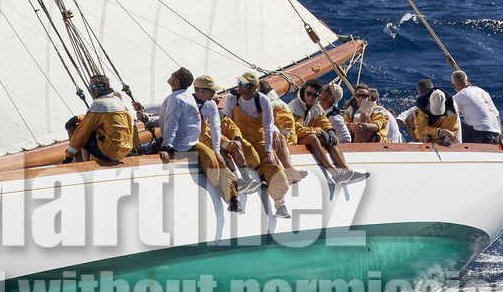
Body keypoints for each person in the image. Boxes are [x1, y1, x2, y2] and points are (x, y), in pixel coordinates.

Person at [146, 69, 235, 196]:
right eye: (212, 91)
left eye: (173, 74)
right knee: (211, 157)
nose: (214, 94)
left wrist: (165, 147)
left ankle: (228, 189)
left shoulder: (185, 99)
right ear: (202, 91)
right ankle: (227, 190)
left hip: (188, 143)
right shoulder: (183, 98)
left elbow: (172, 122)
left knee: (215, 156)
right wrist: (145, 111)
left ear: (176, 82)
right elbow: (165, 113)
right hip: (189, 143)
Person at [222, 71, 290, 213]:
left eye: (243, 84)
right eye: (239, 82)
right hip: (241, 139)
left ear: (253, 88)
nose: (239, 85)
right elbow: (226, 123)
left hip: (260, 139)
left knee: (273, 165)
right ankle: (261, 176)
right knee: (250, 154)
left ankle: (279, 202)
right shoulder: (231, 99)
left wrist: (268, 152)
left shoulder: (263, 100)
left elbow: (268, 127)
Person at [294, 81, 368, 183]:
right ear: (304, 91)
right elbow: (296, 130)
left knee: (332, 138)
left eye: (315, 95)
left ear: (318, 96)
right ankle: (335, 173)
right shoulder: (294, 107)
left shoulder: (317, 107)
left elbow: (324, 122)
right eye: (308, 93)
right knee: (313, 138)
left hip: (304, 134)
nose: (311, 97)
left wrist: (330, 131)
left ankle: (347, 171)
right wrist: (319, 131)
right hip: (294, 138)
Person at [65, 74, 136, 164]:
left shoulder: (99, 103)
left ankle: (81, 165)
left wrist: (69, 156)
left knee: (77, 130)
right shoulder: (116, 100)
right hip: (125, 150)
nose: (92, 90)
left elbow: (82, 132)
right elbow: (101, 117)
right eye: (90, 87)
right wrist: (78, 118)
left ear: (106, 86)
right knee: (92, 129)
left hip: (109, 152)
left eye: (96, 86)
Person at [451, 70, 503, 145]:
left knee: (453, 122)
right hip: (496, 135)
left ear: (453, 85)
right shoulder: (483, 92)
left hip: (481, 136)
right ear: (467, 80)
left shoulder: (462, 95)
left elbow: (445, 107)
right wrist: (500, 141)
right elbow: (497, 116)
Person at [409, 78, 460, 146]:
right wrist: (431, 135)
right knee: (411, 121)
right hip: (435, 130)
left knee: (447, 139)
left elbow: (447, 131)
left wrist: (435, 137)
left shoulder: (452, 109)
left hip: (446, 132)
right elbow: (421, 128)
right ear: (429, 99)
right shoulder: (420, 106)